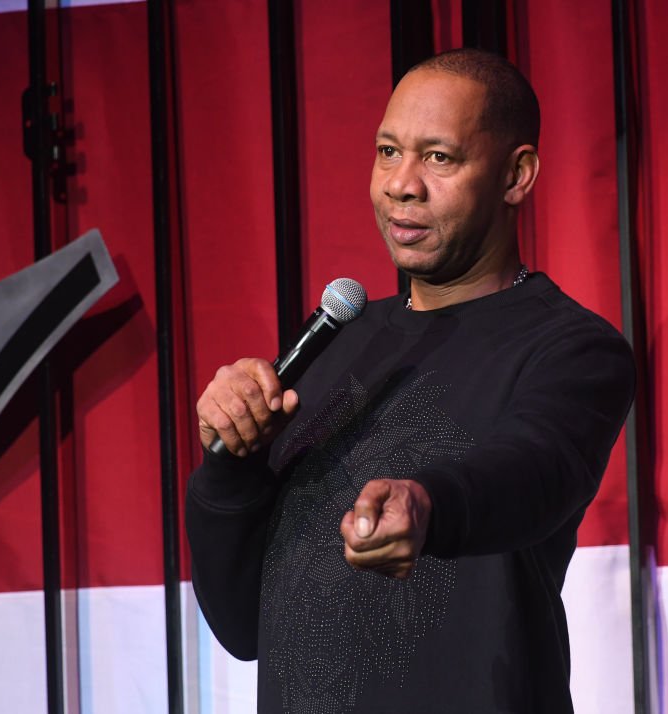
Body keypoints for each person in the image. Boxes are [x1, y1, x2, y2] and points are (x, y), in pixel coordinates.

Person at [186, 48, 635, 714]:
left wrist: (430, 505)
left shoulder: (572, 348)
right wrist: (232, 466)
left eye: (440, 158)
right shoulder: (343, 342)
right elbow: (243, 625)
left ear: (517, 175)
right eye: (388, 151)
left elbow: (534, 468)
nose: (402, 184)